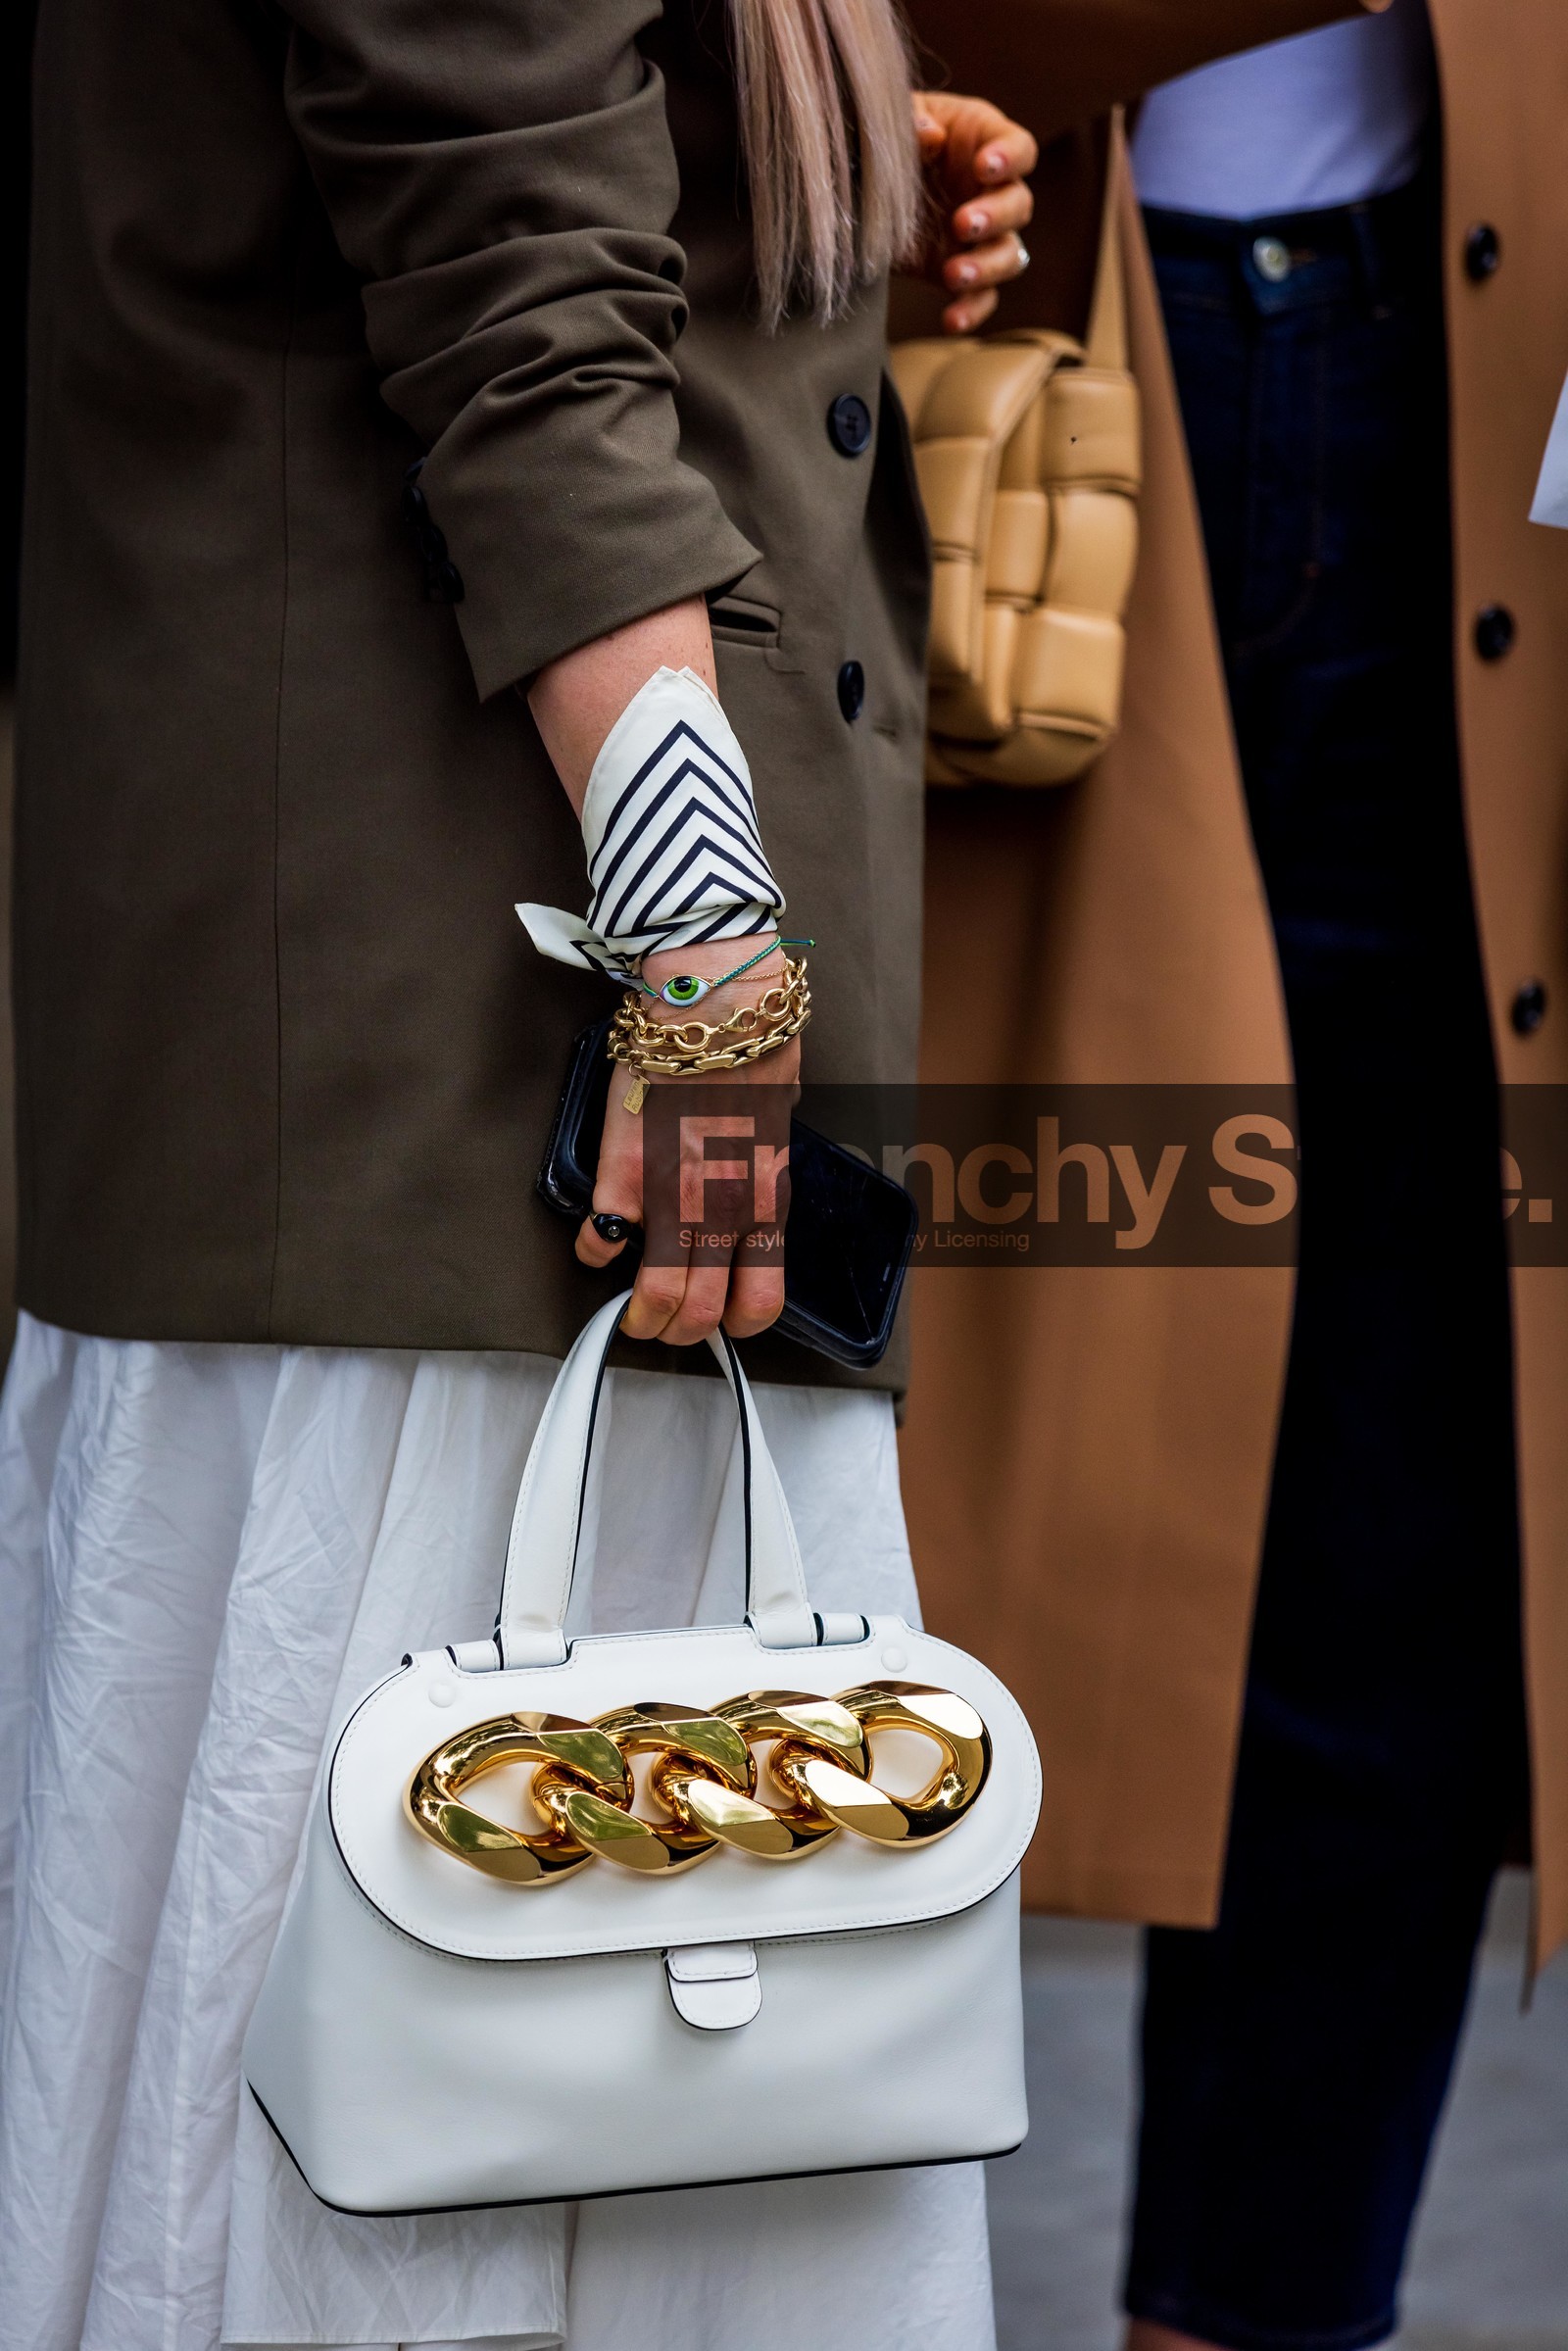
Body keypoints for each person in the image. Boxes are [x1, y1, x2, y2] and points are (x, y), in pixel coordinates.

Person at [0, 3, 1037, 2344]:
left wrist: (812, 190)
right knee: (403, 2145)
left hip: (423, 1055)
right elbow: (504, 270)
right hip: (465, 1056)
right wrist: (700, 951)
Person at [894, 0, 1568, 2344]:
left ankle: (1251, 2318)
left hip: (1470, 342)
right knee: (839, 1463)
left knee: (1405, 1476)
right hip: (950, 340)